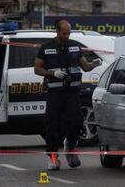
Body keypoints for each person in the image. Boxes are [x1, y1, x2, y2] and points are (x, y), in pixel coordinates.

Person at [34, 20, 102, 170]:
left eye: (68, 33)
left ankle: (70, 145)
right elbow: (37, 69)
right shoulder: (46, 48)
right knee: (51, 126)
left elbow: (85, 66)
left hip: (72, 92)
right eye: (64, 33)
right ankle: (52, 157)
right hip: (55, 93)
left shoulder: (75, 46)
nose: (67, 35)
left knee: (77, 122)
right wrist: (52, 73)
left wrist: (94, 64)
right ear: (57, 31)